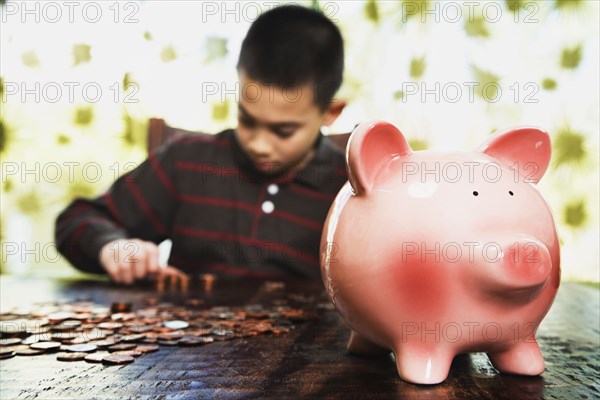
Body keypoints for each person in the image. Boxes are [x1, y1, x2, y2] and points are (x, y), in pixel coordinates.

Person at [55, 5, 348, 284]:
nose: (259, 145)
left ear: (330, 113)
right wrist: (111, 247)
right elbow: (75, 221)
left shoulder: (347, 190)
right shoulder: (185, 161)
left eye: (283, 131)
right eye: (246, 120)